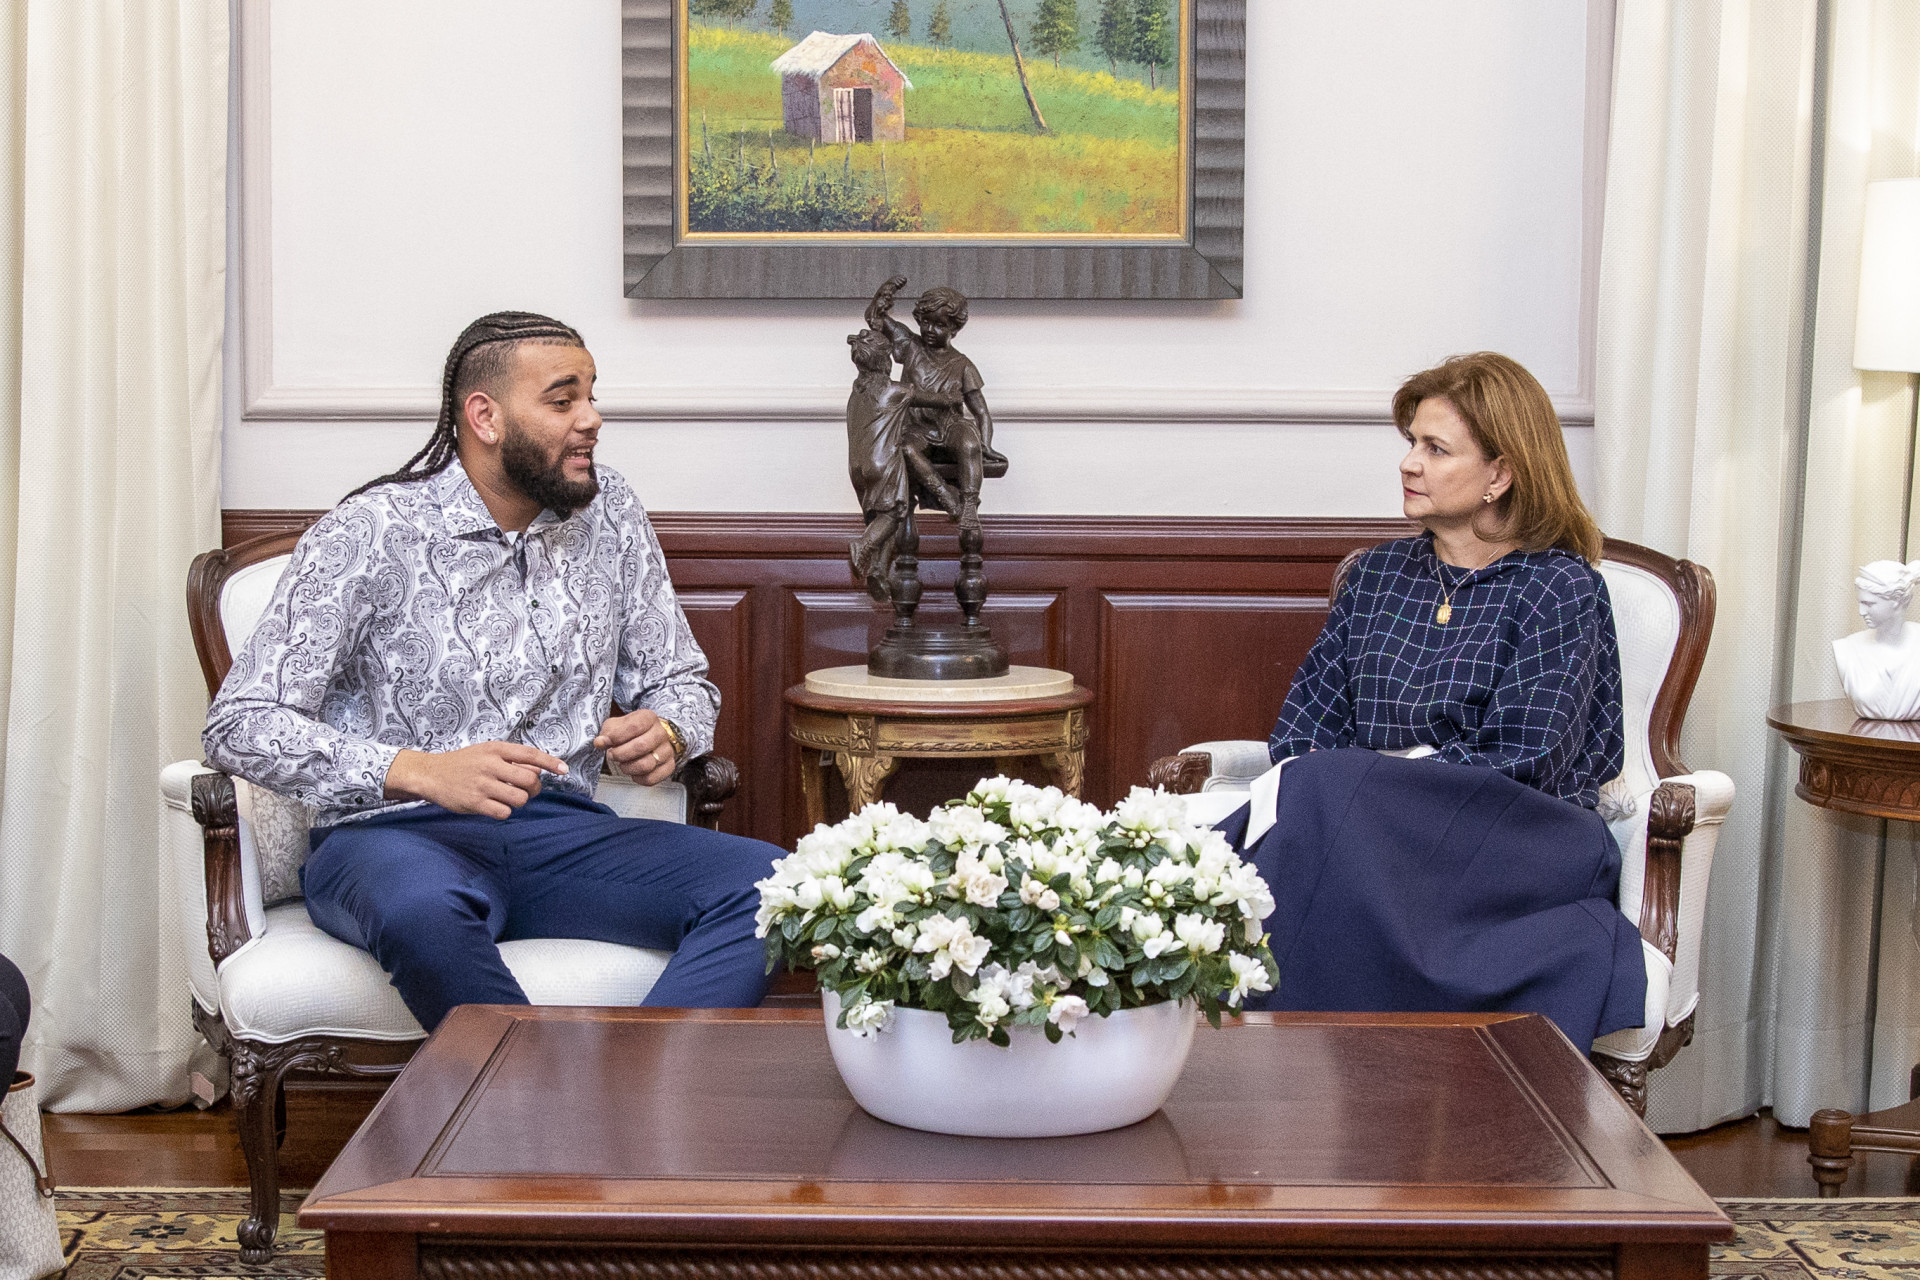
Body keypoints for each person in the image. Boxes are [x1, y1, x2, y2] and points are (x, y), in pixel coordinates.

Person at [203, 311, 782, 1032]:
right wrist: (418, 770)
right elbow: (239, 723)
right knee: (421, 910)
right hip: (391, 838)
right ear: (486, 417)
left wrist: (670, 729)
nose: (592, 419)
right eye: (563, 400)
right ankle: (532, 1094)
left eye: (591, 395)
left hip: (560, 831)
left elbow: (681, 680)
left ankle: (630, 1088)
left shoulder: (612, 514)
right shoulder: (371, 530)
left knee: (774, 887)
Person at [1221, 351, 1644, 1050]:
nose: (1409, 463)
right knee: (1312, 787)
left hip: (1514, 837)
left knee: (1320, 792)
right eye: (1411, 442)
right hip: (1370, 833)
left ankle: (1265, 1044)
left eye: (1435, 448)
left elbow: (1527, 757)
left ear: (1500, 475)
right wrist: (1366, 792)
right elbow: (1303, 729)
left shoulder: (1559, 587)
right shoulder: (1377, 576)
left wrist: (1372, 783)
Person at [863, 276, 1004, 533]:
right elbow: (875, 318)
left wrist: (986, 445)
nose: (930, 329)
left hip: (950, 425)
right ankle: (945, 495)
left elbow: (981, 411)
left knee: (969, 442)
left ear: (954, 328)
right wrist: (885, 293)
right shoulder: (910, 346)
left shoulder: (962, 364)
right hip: (915, 428)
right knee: (905, 448)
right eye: (925, 322)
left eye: (940, 325)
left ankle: (969, 505)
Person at [1833, 560, 1920, 721]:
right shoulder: (1847, 648)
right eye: (1860, 603)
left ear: (1897, 601)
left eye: (1869, 604)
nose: (1861, 612)